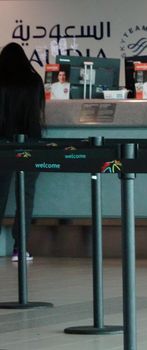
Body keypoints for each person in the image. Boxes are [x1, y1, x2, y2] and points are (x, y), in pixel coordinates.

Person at [0, 42, 45, 262]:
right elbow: (38, 113)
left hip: (3, 144)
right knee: (26, 196)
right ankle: (20, 248)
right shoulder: (35, 80)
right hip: (31, 143)